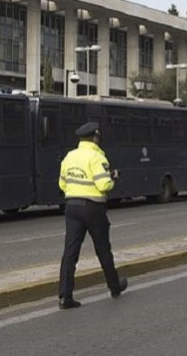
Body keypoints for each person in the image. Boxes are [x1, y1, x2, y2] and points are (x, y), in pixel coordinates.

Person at [57, 121, 127, 309]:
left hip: (72, 207)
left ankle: (65, 296)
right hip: (93, 208)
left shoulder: (69, 157)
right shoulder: (97, 157)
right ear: (95, 138)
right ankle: (114, 287)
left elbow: (62, 185)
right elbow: (103, 185)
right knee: (103, 249)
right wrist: (113, 177)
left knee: (70, 253)